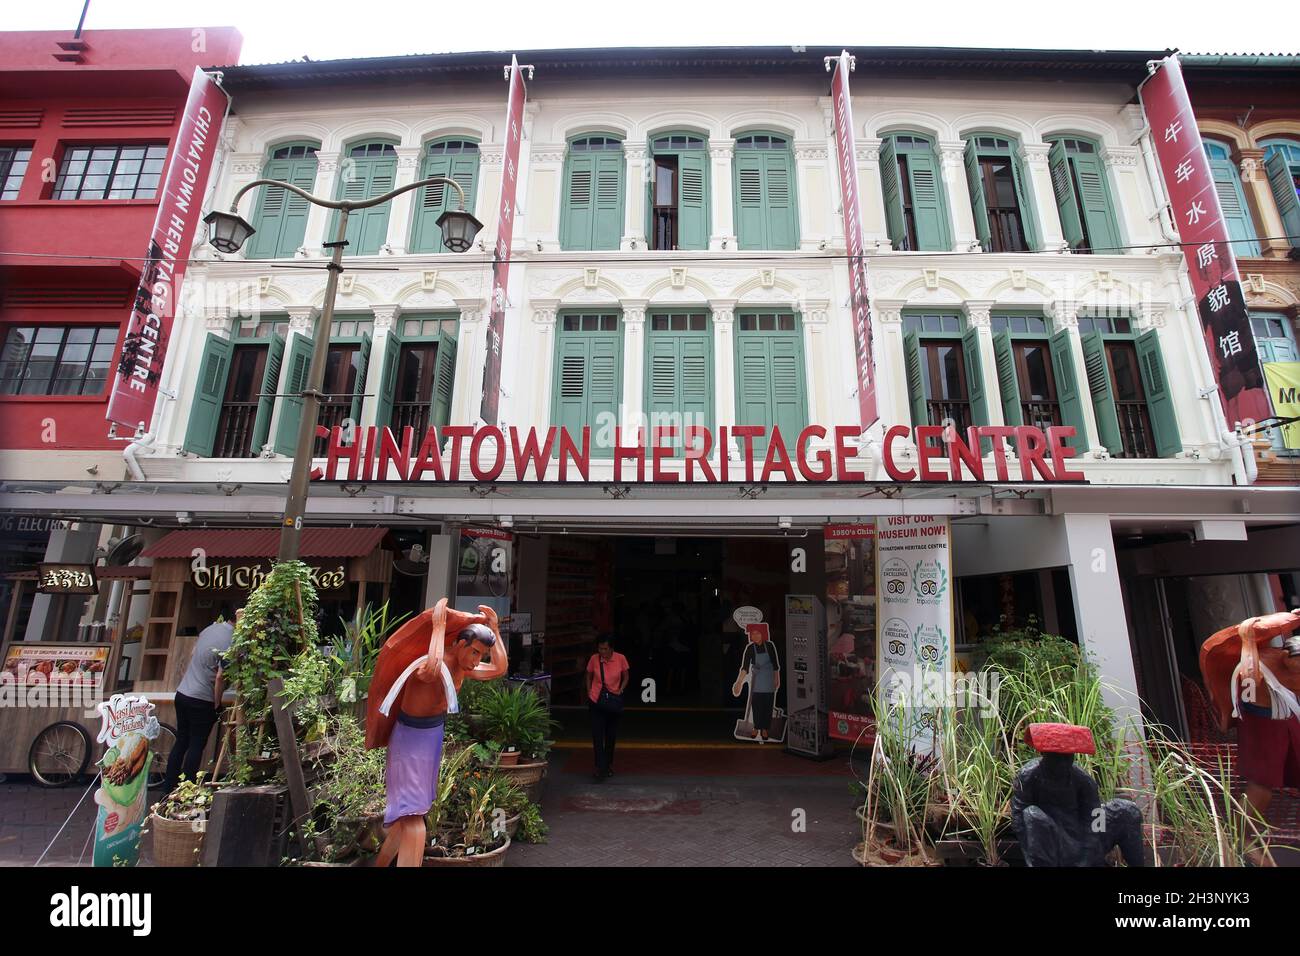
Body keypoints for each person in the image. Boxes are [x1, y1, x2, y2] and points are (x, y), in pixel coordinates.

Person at [369, 598, 506, 867]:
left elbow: (500, 668)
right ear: (459, 644)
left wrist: (495, 629)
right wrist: (439, 628)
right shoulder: (434, 660)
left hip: (430, 740)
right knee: (414, 822)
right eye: (476, 653)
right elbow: (430, 670)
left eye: (482, 655)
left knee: (410, 816)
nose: (478, 661)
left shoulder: (464, 667)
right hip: (409, 741)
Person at [163, 608, 240, 795]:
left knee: (182, 741)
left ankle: (168, 788)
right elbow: (221, 677)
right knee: (197, 744)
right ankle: (187, 789)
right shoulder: (232, 641)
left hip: (182, 693)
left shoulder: (209, 629)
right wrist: (216, 702)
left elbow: (192, 654)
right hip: (202, 699)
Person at [585, 635, 629, 781]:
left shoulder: (620, 658)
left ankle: (608, 764)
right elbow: (588, 675)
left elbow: (626, 676)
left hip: (613, 702)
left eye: (605, 649)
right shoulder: (594, 659)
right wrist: (589, 691)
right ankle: (600, 767)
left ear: (611, 649)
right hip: (596, 701)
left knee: (611, 735)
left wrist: (620, 689)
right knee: (597, 736)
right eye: (600, 648)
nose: (602, 651)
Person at [732, 624, 781, 741]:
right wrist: (738, 683)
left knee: (768, 705)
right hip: (756, 681)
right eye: (753, 634)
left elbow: (775, 664)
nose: (755, 636)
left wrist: (776, 678)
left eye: (758, 633)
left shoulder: (769, 646)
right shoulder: (750, 648)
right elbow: (744, 668)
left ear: (763, 634)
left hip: (769, 680)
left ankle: (764, 728)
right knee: (757, 705)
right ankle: (756, 727)